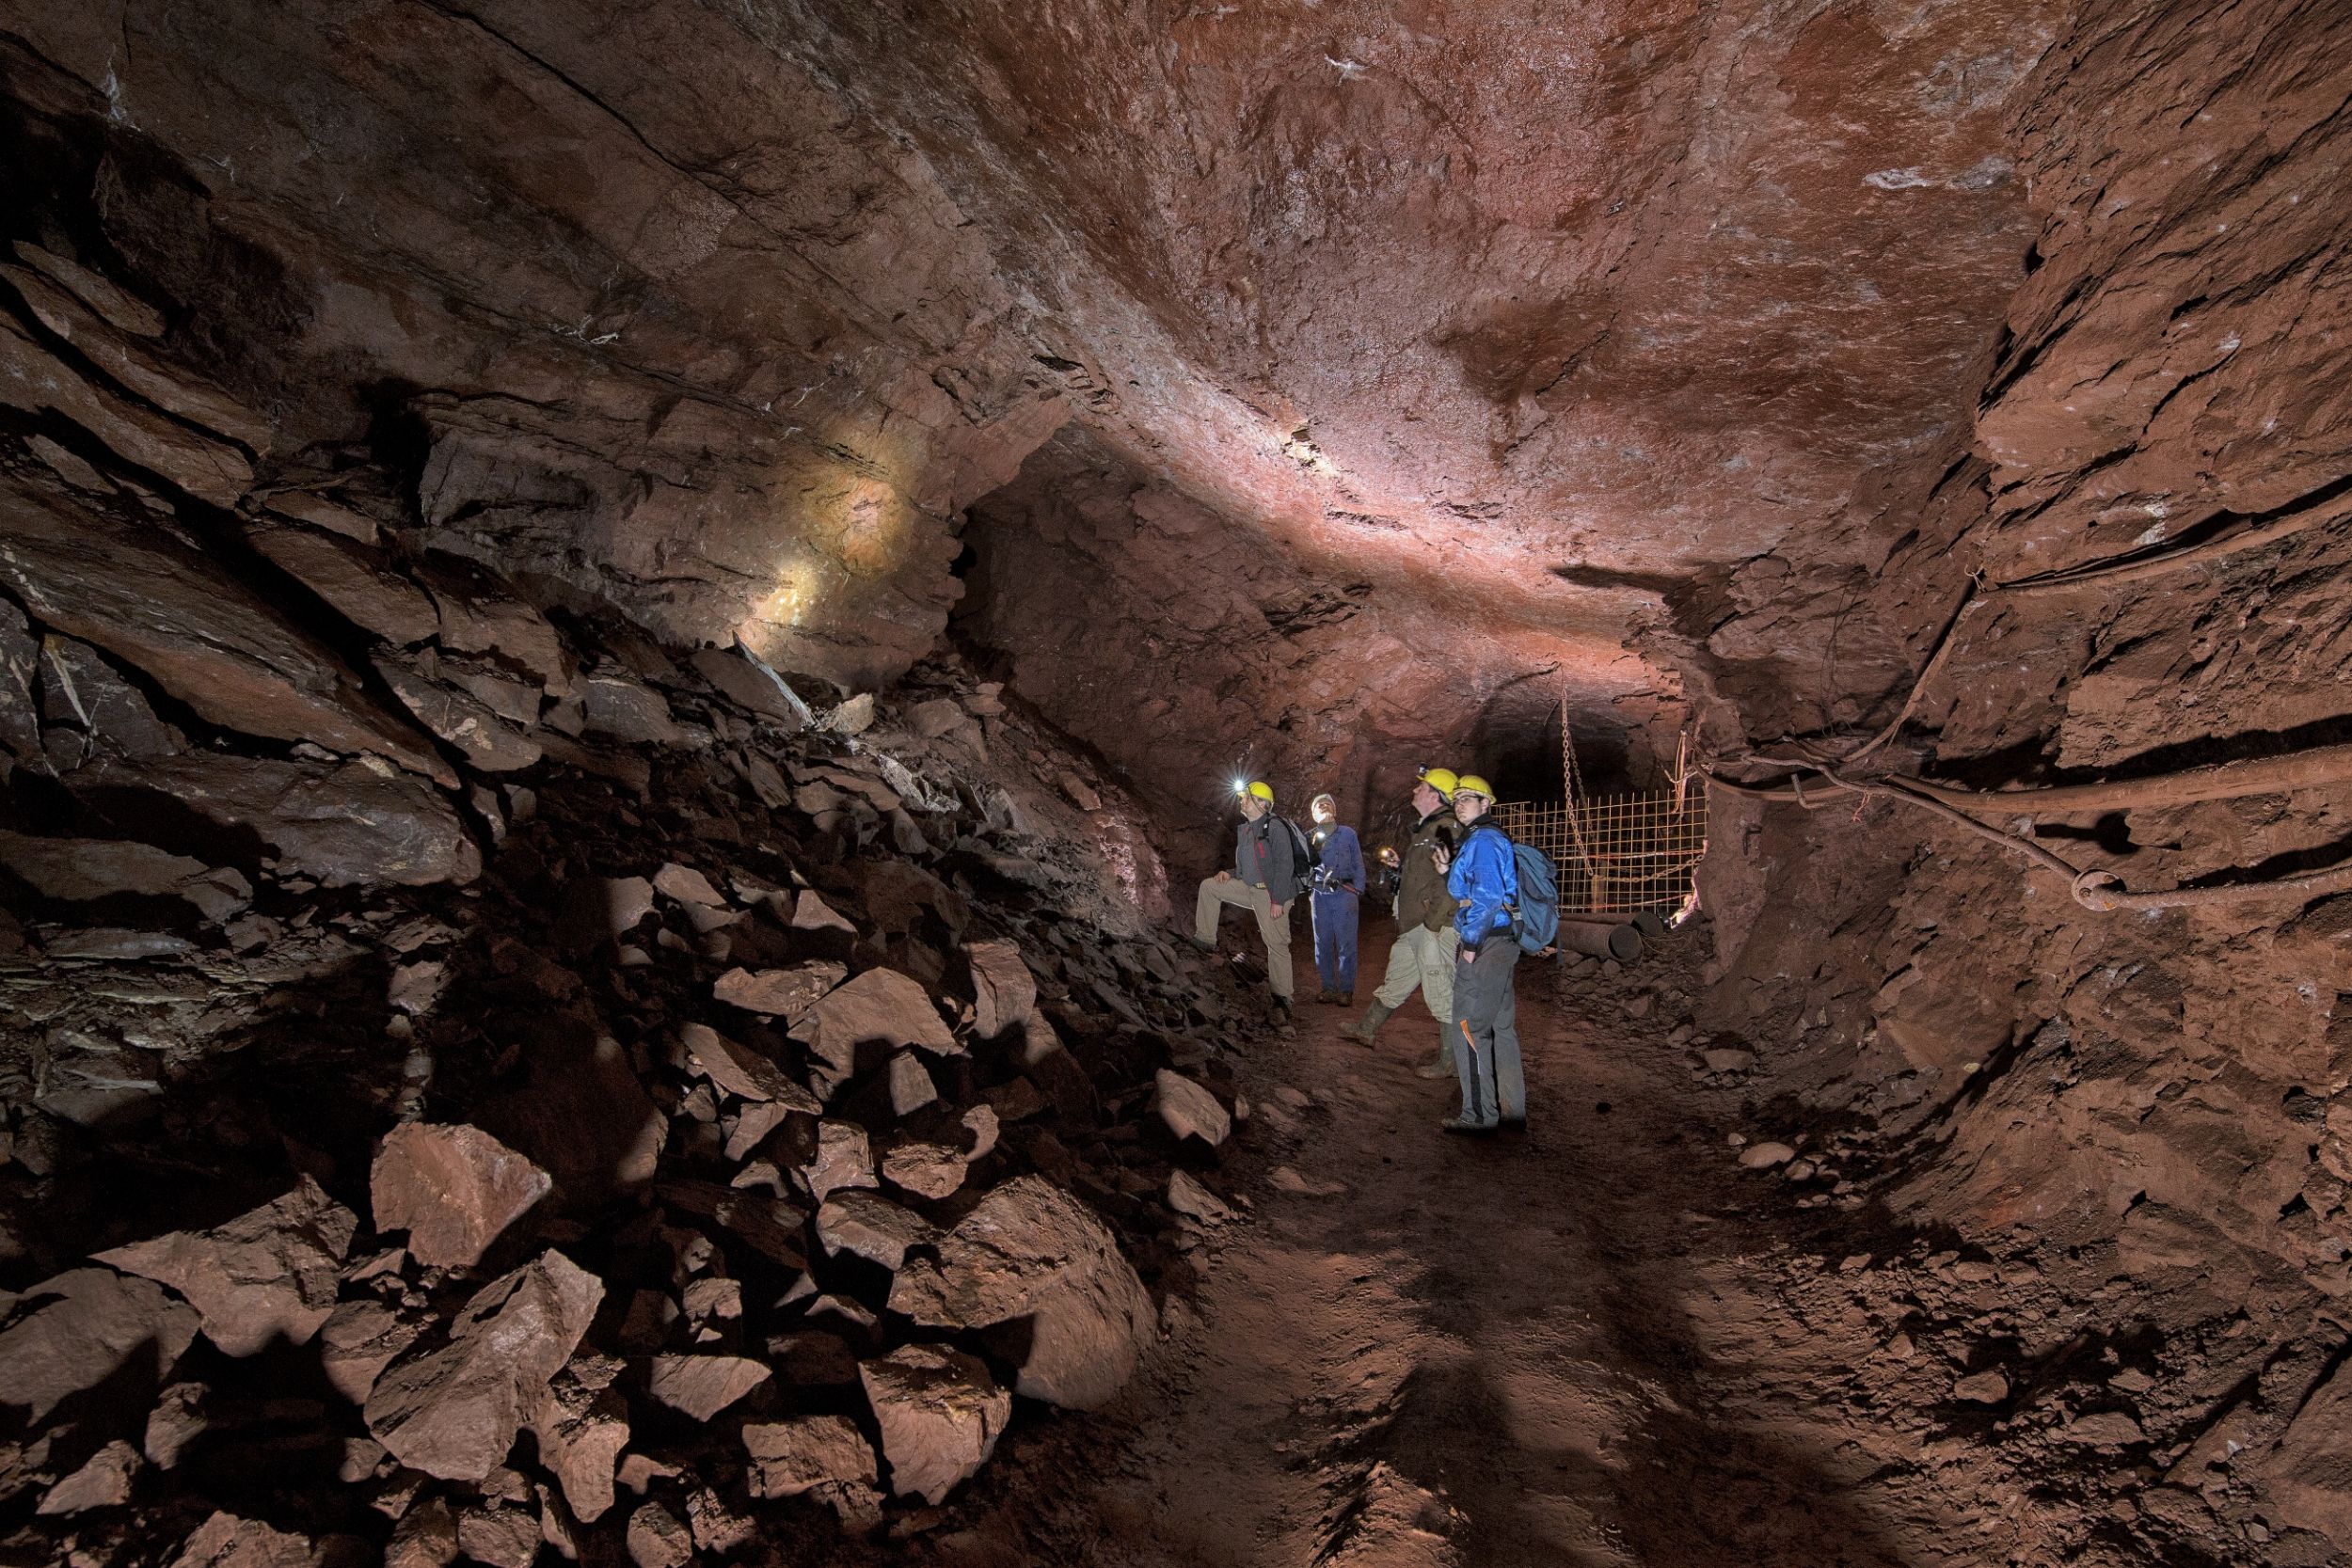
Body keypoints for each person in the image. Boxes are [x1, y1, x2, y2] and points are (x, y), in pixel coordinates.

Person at [1346, 767, 1461, 1079]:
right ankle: (1366, 1029)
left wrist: (1434, 925)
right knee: (1396, 979)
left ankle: (1451, 1060)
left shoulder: (1446, 828)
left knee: (1441, 991)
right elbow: (1427, 877)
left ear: (1435, 795)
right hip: (1416, 927)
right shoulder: (1427, 829)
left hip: (1432, 928)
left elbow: (1452, 880)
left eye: (1420, 787)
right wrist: (1400, 869)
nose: (1414, 791)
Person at [1437, 773, 1522, 1133]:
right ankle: (1512, 1109)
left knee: (1467, 1026)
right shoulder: (1483, 839)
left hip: (1485, 944)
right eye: (1457, 800)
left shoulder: (1484, 841)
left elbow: (1486, 899)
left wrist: (1469, 946)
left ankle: (1479, 1114)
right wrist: (1447, 872)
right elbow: (1478, 890)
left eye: (1469, 798)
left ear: (1486, 803)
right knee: (1501, 1027)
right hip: (1501, 941)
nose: (1460, 805)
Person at [1191, 779, 1299, 1012]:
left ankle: (1283, 997)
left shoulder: (1276, 827)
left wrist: (1278, 901)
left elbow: (1285, 865)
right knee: (1209, 887)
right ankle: (1205, 940)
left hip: (1271, 894)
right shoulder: (1247, 830)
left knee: (1276, 944)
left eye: (1247, 798)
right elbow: (1244, 870)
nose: (1242, 801)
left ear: (1262, 803)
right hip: (1249, 888)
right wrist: (1228, 874)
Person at [1306, 793, 1365, 1005]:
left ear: (1335, 810)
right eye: (1318, 805)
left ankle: (1346, 990)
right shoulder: (1310, 836)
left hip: (1344, 893)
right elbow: (1303, 867)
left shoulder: (1348, 834)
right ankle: (1328, 987)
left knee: (1346, 943)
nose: (1323, 805)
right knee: (1322, 943)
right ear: (1313, 814)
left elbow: (1358, 861)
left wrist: (1357, 889)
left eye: (1327, 803)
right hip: (1320, 895)